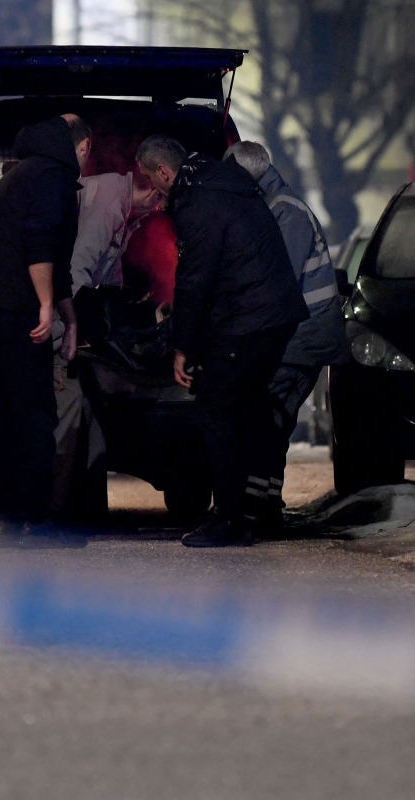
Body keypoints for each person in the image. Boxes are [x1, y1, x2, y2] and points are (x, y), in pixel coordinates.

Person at [134, 135, 309, 547]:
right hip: (273, 316)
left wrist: (183, 346)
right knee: (244, 410)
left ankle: (230, 519)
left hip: (251, 319)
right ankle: (247, 512)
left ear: (164, 172)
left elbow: (197, 278)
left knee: (217, 409)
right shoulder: (219, 183)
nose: (150, 191)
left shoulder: (199, 203)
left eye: (149, 180)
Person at [0, 114, 90, 547]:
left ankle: (8, 519)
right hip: (13, 309)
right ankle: (36, 521)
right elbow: (39, 245)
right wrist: (47, 305)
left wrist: (70, 320)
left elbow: (57, 261)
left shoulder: (15, 178)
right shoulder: (52, 179)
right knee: (34, 412)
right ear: (81, 148)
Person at [224, 141, 349, 532]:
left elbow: (279, 281)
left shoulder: (286, 213)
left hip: (303, 337)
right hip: (300, 335)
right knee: (272, 420)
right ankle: (264, 502)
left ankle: (258, 506)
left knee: (269, 418)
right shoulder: (276, 206)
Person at [51, 170, 161, 522]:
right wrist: (83, 328)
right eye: (159, 199)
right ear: (149, 187)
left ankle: (86, 505)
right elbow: (78, 272)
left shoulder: (125, 208)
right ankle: (61, 511)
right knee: (71, 413)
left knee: (89, 411)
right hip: (62, 322)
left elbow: (107, 274)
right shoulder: (108, 206)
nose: (159, 209)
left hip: (71, 319)